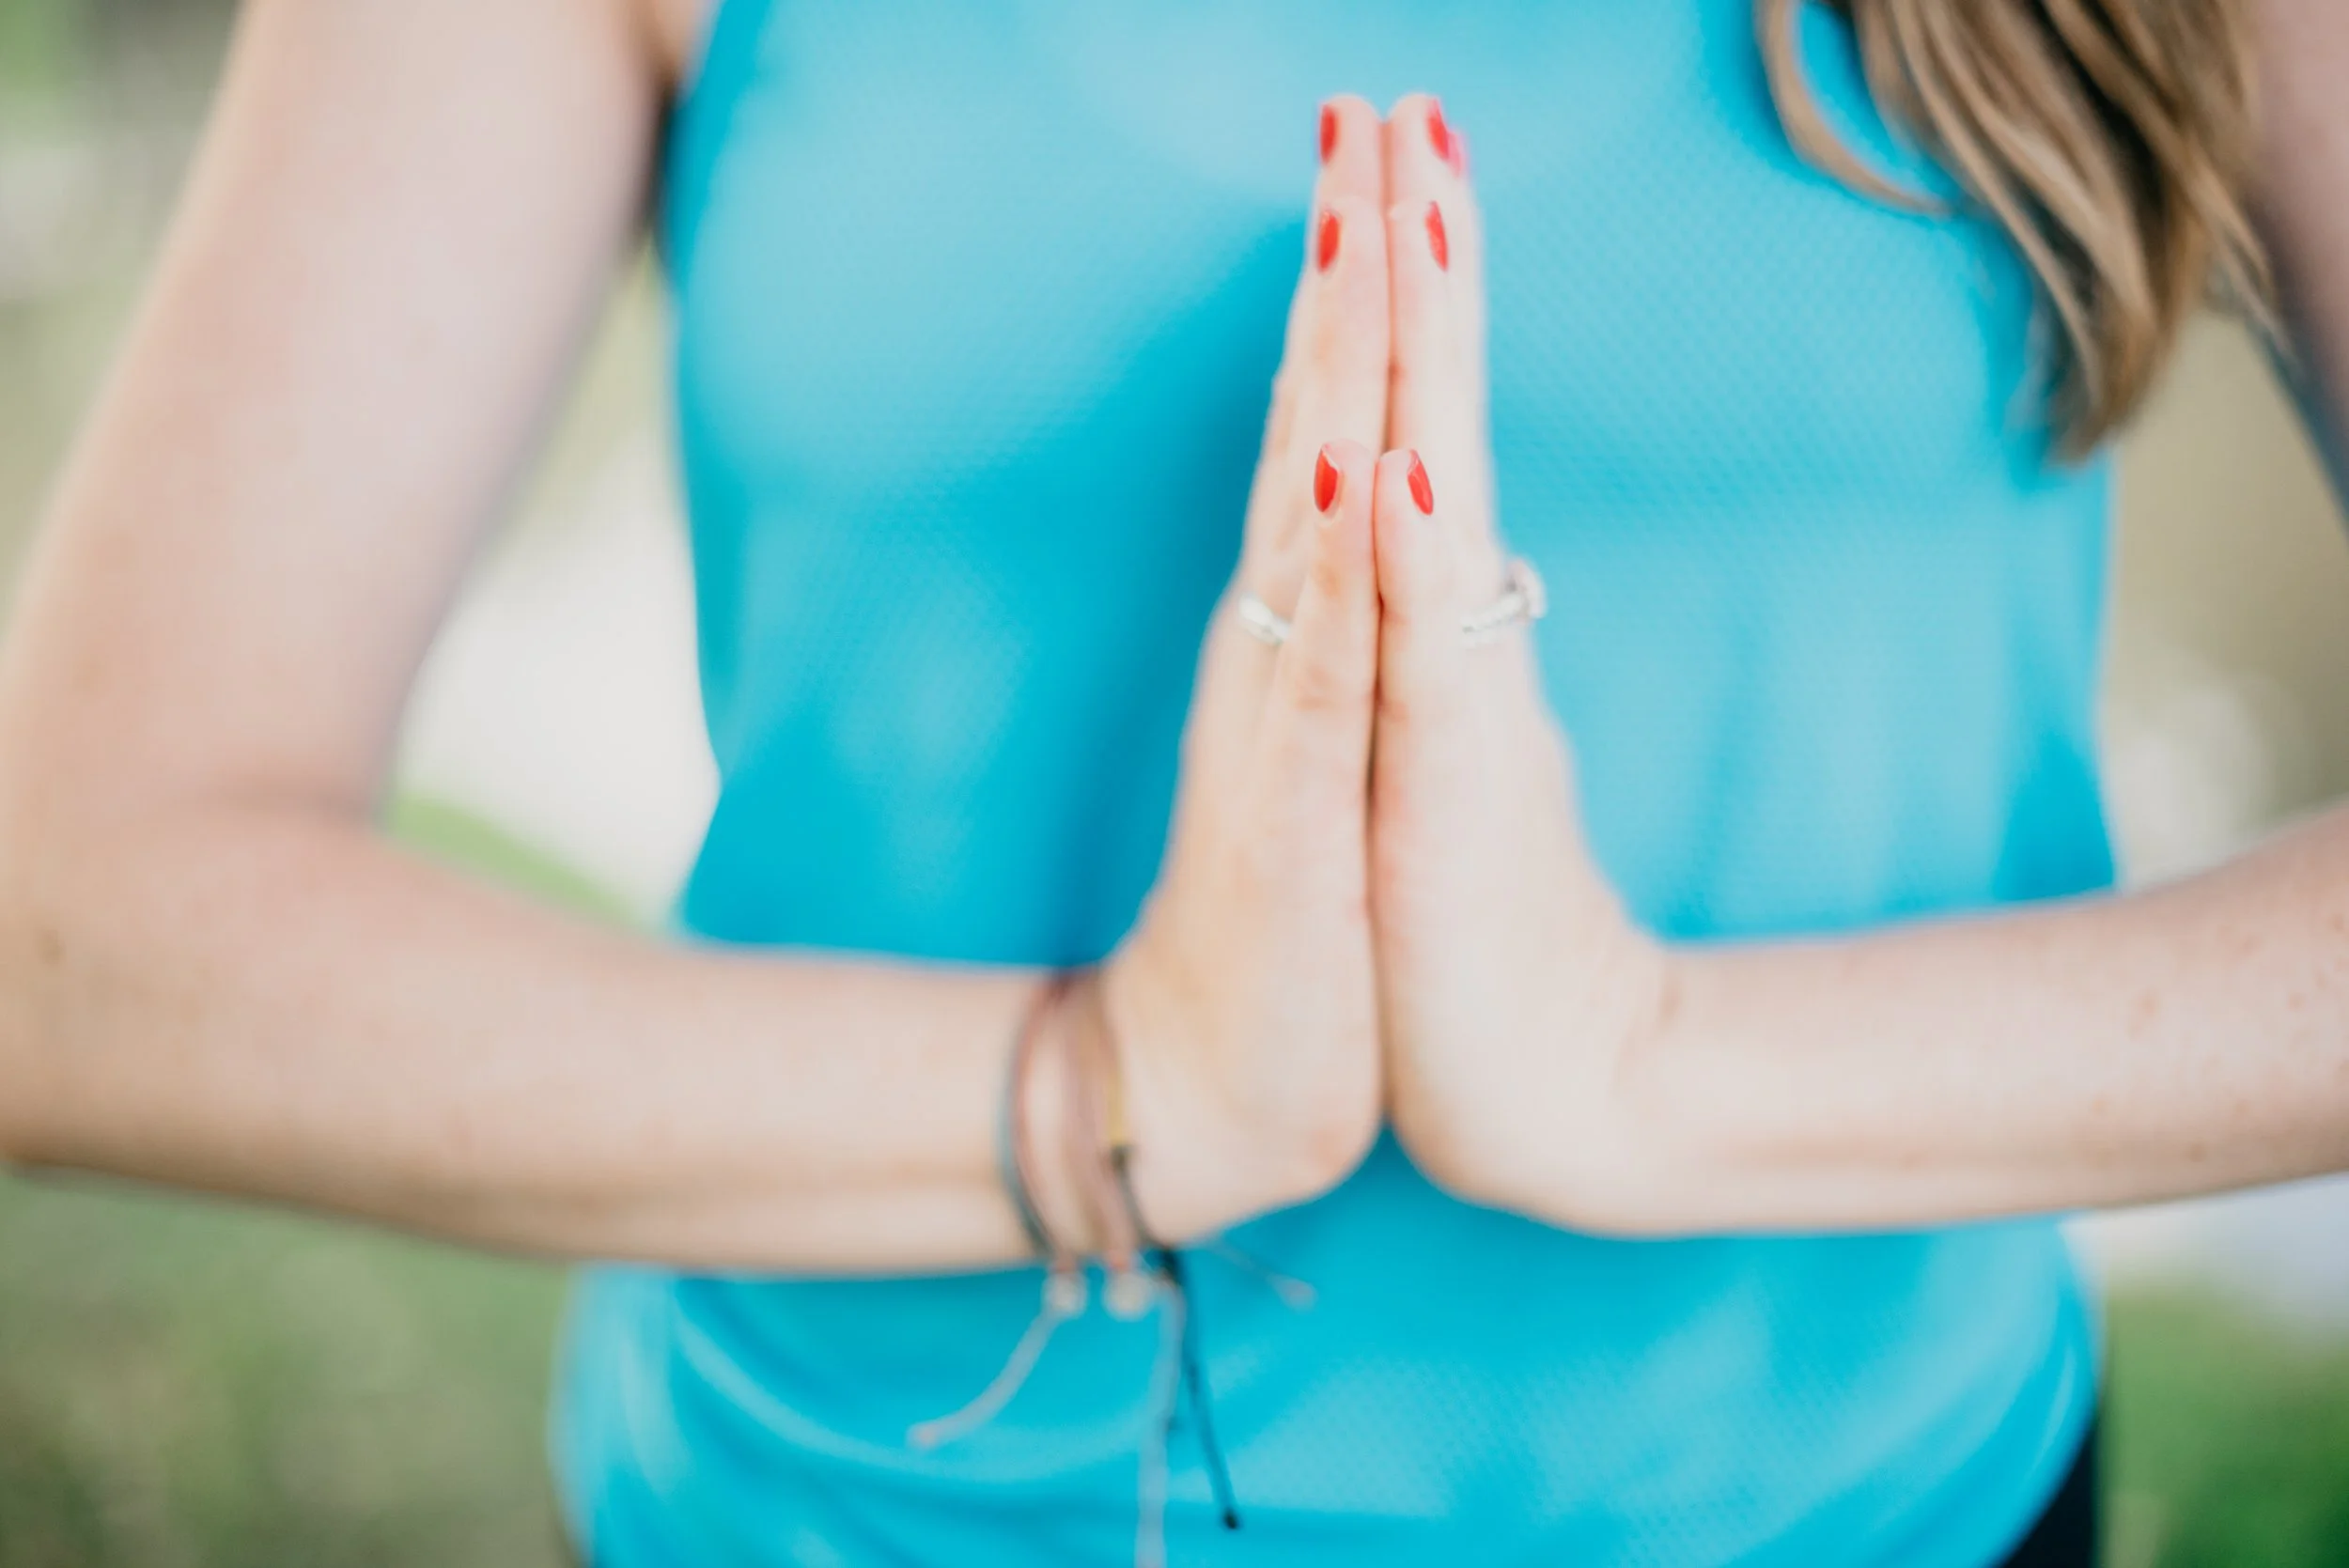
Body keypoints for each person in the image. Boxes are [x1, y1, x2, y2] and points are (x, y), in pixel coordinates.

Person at [1, 0, 2344, 1561]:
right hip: (834, 1514)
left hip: (1870, 1512)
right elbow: (77, 925)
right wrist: (1095, 1089)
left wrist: (1639, 1074)